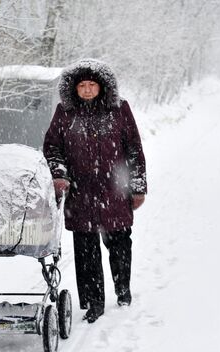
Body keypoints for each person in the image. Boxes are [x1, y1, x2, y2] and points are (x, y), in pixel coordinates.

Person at [43, 59, 147, 323]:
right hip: (80, 193)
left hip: (115, 191)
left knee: (120, 244)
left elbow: (134, 149)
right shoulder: (64, 113)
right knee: (85, 251)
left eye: (92, 85)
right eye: (82, 86)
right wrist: (59, 175)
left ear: (102, 87)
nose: (88, 90)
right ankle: (93, 302)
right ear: (74, 89)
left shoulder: (119, 109)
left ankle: (123, 290)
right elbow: (52, 148)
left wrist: (137, 187)